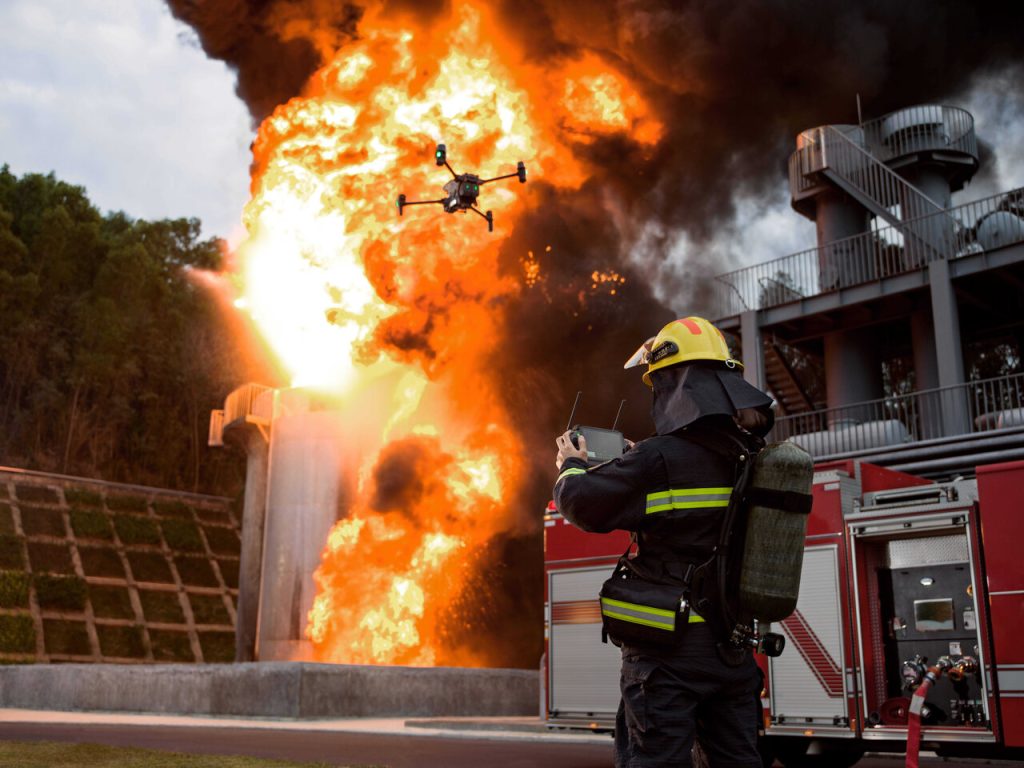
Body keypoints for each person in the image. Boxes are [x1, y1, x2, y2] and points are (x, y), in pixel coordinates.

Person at [553, 316, 774, 768]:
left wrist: (570, 465)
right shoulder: (749, 456)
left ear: (672, 386)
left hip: (670, 652)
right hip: (731, 649)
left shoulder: (658, 459)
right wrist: (640, 459)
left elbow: (580, 503)